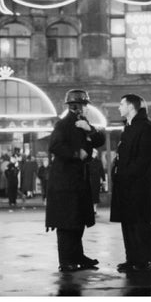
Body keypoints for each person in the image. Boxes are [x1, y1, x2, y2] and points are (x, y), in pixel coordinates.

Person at [45, 89, 105, 272]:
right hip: (64, 183)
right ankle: (66, 261)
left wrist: (90, 129)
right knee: (66, 224)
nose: (87, 108)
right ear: (77, 106)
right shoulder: (63, 124)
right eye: (85, 105)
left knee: (77, 222)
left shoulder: (82, 123)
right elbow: (54, 146)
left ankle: (78, 256)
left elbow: (99, 140)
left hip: (77, 182)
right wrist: (76, 154)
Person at [110, 94, 151, 272]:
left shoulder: (147, 126)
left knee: (141, 223)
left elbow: (146, 156)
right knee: (128, 223)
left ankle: (145, 259)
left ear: (131, 106)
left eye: (122, 104)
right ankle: (131, 259)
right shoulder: (128, 126)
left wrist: (127, 173)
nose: (119, 107)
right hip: (125, 184)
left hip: (139, 185)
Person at [88, 149, 105, 215]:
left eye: (95, 152)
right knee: (90, 195)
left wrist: (103, 180)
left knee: (95, 195)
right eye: (93, 152)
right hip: (89, 180)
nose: (94, 154)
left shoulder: (98, 161)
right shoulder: (88, 160)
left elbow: (102, 171)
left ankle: (94, 209)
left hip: (96, 180)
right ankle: (91, 209)